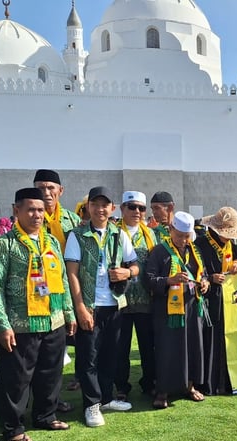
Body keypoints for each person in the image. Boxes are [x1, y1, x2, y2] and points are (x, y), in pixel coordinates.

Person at [0, 188, 76, 441]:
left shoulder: (50, 242)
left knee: (50, 372)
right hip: (20, 323)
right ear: (16, 211)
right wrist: (3, 324)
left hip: (54, 319)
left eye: (40, 210)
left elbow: (61, 279)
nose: (36, 215)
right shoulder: (5, 245)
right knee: (16, 378)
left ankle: (45, 415)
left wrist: (68, 312)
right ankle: (12, 427)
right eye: (30, 210)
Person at [64, 187, 139, 427]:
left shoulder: (119, 234)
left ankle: (106, 398)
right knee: (88, 358)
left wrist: (127, 271)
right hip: (91, 305)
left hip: (115, 305)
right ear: (88, 207)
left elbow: (135, 265)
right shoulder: (77, 235)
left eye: (104, 204)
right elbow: (72, 274)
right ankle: (91, 404)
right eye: (94, 204)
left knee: (111, 355)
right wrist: (81, 308)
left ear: (112, 208)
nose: (100, 209)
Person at [145, 212, 210, 409]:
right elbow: (148, 279)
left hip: (193, 308)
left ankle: (190, 386)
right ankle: (162, 390)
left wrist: (205, 283)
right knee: (167, 349)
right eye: (180, 235)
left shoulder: (195, 251)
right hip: (168, 312)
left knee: (193, 346)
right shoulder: (159, 252)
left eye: (186, 236)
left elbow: (203, 273)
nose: (183, 240)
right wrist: (169, 281)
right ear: (171, 230)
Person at [34, 169, 79, 411]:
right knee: (38, 351)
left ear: (60, 191)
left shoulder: (72, 221)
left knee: (58, 350)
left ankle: (55, 395)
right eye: (41, 187)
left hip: (67, 293)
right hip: (37, 294)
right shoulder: (28, 219)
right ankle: (39, 397)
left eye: (51, 187)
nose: (46, 192)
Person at [196, 206, 237, 395]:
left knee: (225, 338)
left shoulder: (228, 244)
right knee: (209, 340)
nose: (229, 236)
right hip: (207, 298)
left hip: (226, 298)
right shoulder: (201, 243)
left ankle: (224, 381)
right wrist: (209, 278)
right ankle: (207, 383)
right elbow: (194, 268)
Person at [115, 191, 158, 401]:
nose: (137, 212)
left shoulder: (151, 235)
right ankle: (121, 386)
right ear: (122, 209)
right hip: (119, 301)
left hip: (145, 300)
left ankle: (149, 383)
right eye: (132, 207)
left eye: (141, 208)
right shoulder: (113, 233)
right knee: (120, 347)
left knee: (147, 347)